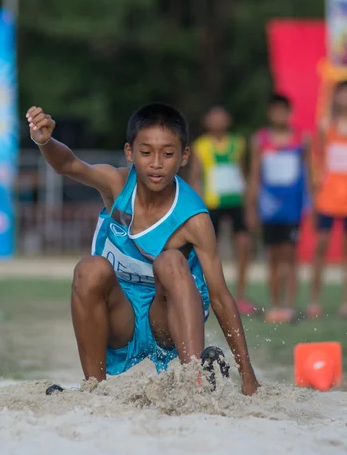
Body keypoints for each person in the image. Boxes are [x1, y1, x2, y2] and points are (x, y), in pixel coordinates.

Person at [26, 103, 259, 395]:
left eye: (168, 153)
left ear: (184, 156)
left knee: (172, 260)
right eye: (146, 153)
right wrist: (44, 140)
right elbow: (69, 165)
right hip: (121, 314)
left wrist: (247, 373)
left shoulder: (195, 219)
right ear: (129, 153)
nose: (156, 163)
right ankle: (95, 389)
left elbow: (220, 295)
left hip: (167, 319)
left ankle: (195, 382)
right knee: (89, 268)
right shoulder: (117, 185)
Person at [246, 94, 309, 323]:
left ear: (289, 113)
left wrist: (308, 205)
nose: (279, 115)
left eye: (284, 111)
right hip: (269, 209)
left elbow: (307, 174)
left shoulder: (302, 139)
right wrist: (251, 207)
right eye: (275, 111)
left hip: (293, 209)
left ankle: (289, 306)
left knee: (290, 256)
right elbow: (254, 175)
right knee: (272, 257)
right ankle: (275, 305)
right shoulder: (260, 140)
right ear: (269, 113)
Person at [189, 105, 256, 316]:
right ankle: (206, 293)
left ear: (228, 120)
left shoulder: (238, 143)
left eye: (222, 117)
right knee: (207, 250)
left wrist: (250, 205)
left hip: (236, 201)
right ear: (206, 122)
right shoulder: (201, 146)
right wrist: (196, 207)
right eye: (213, 118)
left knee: (243, 245)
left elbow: (243, 173)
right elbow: (195, 177)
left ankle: (241, 295)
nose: (218, 122)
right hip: (212, 204)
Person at [308, 80, 347, 319]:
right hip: (327, 196)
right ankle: (314, 299)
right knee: (320, 247)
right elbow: (317, 162)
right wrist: (314, 194)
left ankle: (345, 302)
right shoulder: (326, 124)